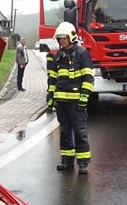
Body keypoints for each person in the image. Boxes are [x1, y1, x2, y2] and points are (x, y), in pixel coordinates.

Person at [46, 22, 94, 174]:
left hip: (76, 103)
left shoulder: (82, 54)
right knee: (65, 132)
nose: (62, 41)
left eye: (64, 38)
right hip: (62, 103)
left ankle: (83, 163)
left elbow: (88, 77)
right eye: (59, 38)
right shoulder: (58, 56)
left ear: (71, 37)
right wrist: (51, 98)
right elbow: (52, 79)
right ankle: (67, 161)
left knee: (80, 132)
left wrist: (85, 97)